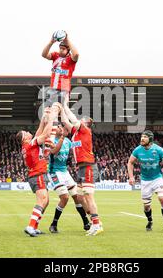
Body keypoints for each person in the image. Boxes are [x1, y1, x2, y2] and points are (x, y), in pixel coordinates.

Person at [59, 98, 103, 236]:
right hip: (81, 168)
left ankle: (96, 225)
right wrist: (61, 110)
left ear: (87, 123)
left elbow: (71, 118)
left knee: (89, 197)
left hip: (88, 166)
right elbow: (66, 122)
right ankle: (97, 221)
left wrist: (65, 106)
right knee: (79, 197)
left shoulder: (85, 130)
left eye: (82, 120)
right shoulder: (77, 133)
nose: (80, 120)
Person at [16, 104, 60, 237]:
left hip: (38, 174)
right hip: (38, 174)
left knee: (45, 201)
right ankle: (30, 226)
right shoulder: (30, 144)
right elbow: (45, 134)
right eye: (26, 133)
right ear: (24, 138)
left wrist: (43, 119)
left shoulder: (28, 144)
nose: (28, 132)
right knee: (42, 200)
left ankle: (34, 226)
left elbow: (39, 133)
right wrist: (51, 118)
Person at [48, 123, 91, 233]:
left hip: (64, 172)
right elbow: (54, 151)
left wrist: (85, 137)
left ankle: (86, 222)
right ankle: (54, 224)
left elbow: (78, 145)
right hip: (54, 172)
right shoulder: (51, 140)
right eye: (59, 127)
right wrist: (62, 137)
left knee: (76, 196)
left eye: (63, 128)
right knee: (65, 197)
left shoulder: (68, 142)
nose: (61, 129)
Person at [128, 130, 163, 233]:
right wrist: (131, 177)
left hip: (157, 178)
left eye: (144, 137)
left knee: (162, 199)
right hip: (145, 180)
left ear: (150, 139)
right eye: (141, 137)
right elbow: (130, 162)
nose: (142, 139)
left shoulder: (158, 149)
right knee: (146, 206)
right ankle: (150, 220)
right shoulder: (137, 150)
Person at [41, 31, 79, 107]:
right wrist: (51, 42)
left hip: (64, 89)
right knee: (49, 110)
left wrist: (67, 40)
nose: (61, 50)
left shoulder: (71, 59)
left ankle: (73, 119)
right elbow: (44, 54)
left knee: (62, 110)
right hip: (53, 89)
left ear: (68, 50)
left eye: (63, 49)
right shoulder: (55, 56)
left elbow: (76, 54)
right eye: (60, 48)